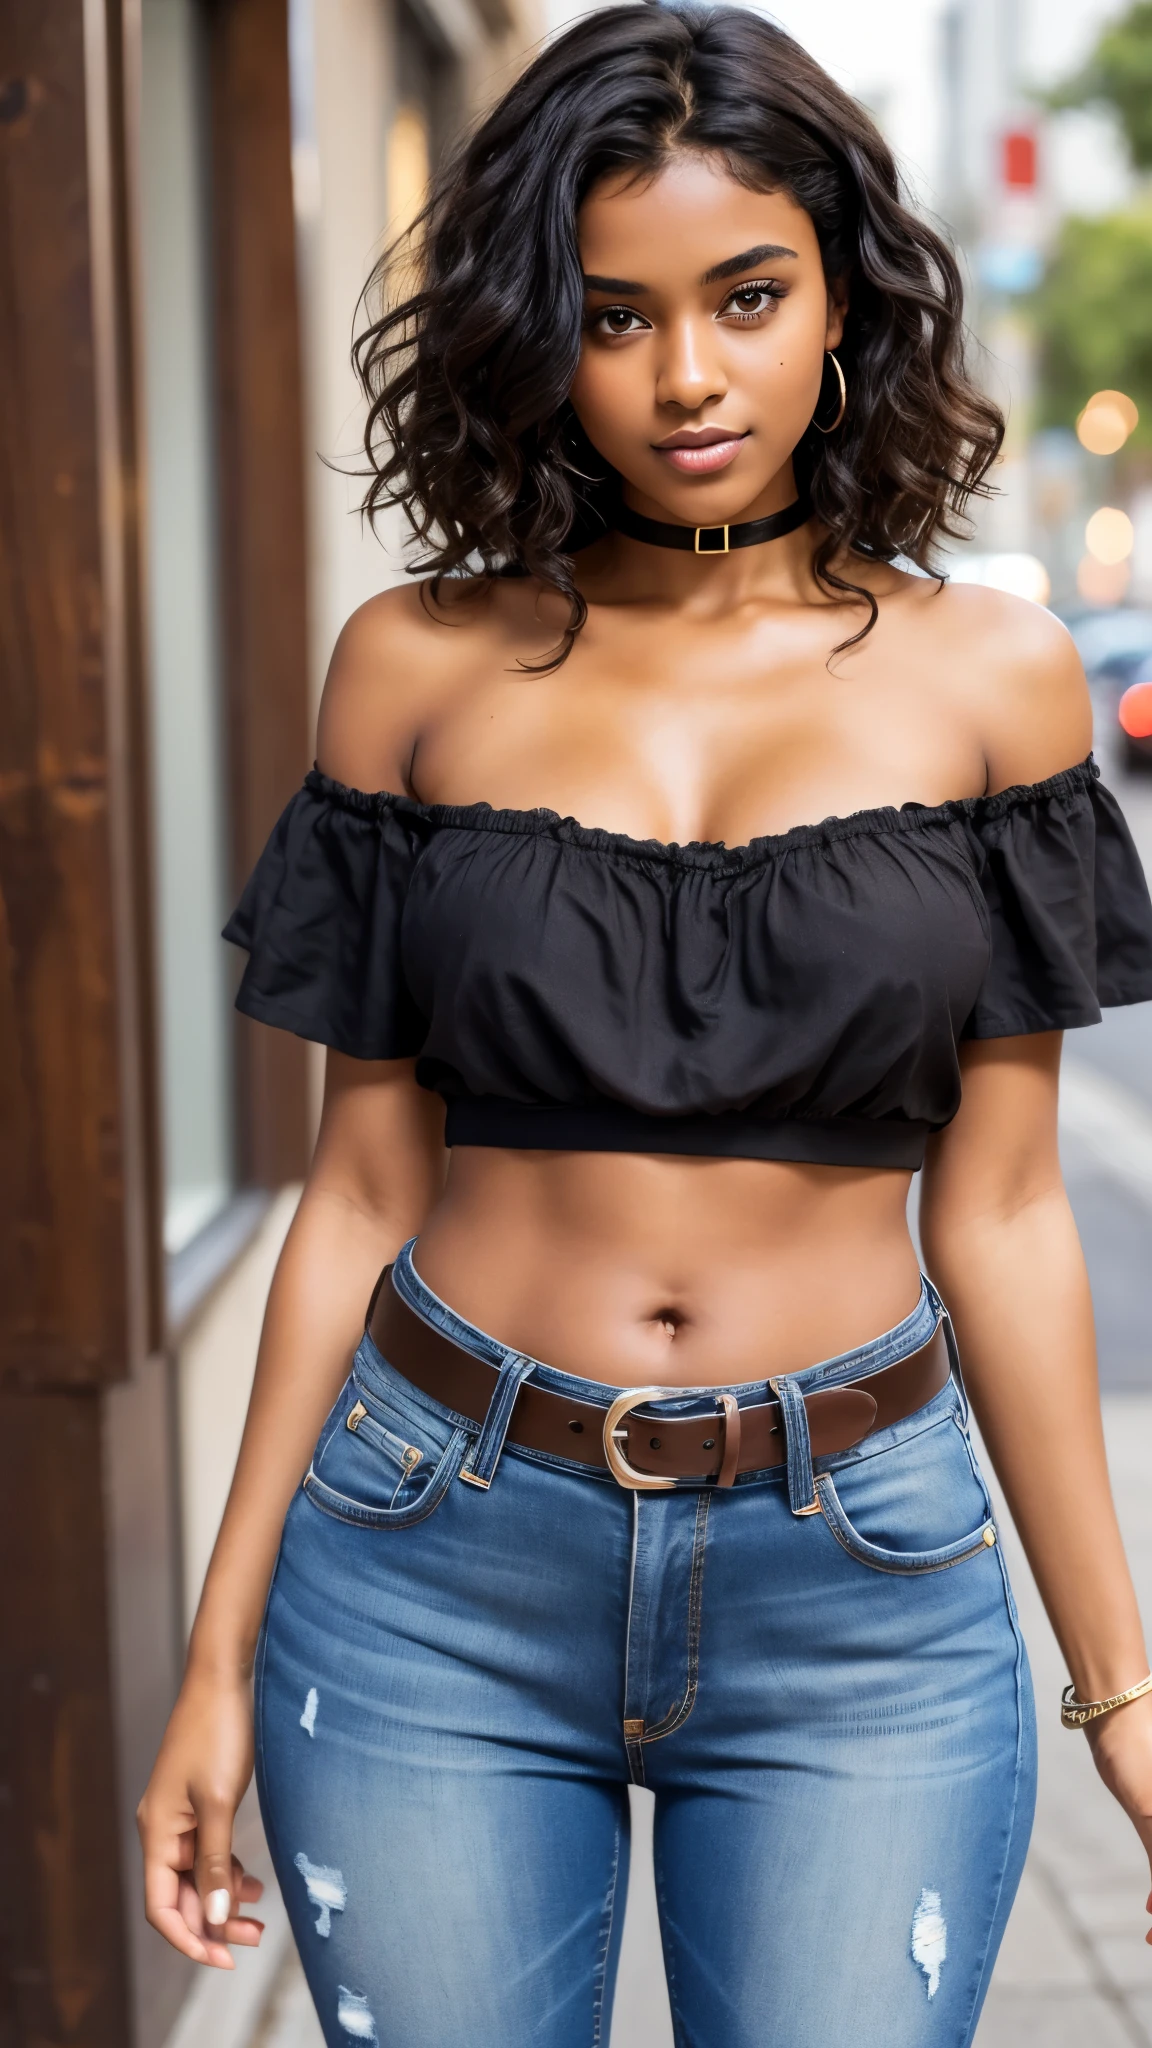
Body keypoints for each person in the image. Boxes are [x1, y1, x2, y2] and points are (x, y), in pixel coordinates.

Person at [138, 9, 1152, 2044]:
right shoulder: (414, 664)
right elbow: (353, 1190)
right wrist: (219, 1653)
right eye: (615, 316)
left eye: (747, 297)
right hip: (430, 1547)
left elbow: (1013, 1217)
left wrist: (1123, 1690)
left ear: (844, 298)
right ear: (539, 331)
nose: (687, 376)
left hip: (857, 1569)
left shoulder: (997, 680)